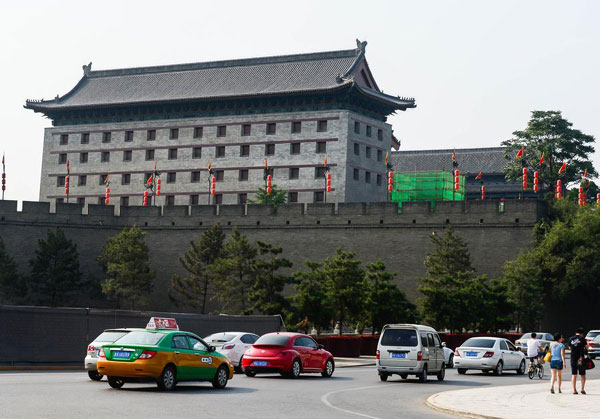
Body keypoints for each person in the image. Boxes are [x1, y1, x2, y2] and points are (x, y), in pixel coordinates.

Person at [568, 328, 588, 395]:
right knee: (582, 374)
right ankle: (582, 389)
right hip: (580, 358)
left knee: (574, 374)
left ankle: (574, 390)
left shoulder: (571, 338)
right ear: (581, 334)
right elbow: (587, 347)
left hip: (573, 358)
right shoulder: (582, 339)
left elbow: (569, 347)